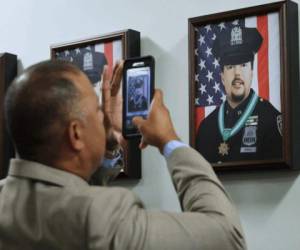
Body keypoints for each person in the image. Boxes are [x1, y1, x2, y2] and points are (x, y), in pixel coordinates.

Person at [0, 60, 246, 250]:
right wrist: (169, 141)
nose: (103, 116)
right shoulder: (103, 216)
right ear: (76, 134)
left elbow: (65, 196)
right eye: (97, 111)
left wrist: (103, 142)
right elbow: (226, 237)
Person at [196, 26, 282, 163]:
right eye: (230, 67)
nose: (237, 73)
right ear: (222, 76)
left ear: (252, 72)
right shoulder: (206, 127)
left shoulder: (271, 119)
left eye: (243, 65)